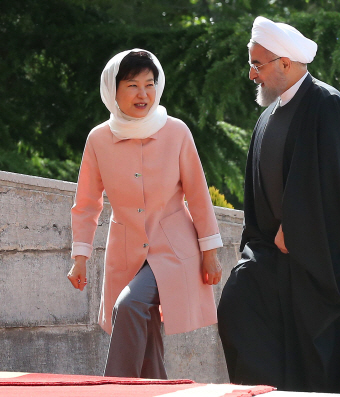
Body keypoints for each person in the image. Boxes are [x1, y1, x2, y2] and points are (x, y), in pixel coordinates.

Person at [217, 16, 340, 395]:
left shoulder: (326, 105)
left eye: (257, 65)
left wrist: (297, 227)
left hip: (322, 264)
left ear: (286, 64)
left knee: (318, 371)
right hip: (274, 262)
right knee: (239, 308)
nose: (251, 75)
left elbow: (339, 190)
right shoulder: (268, 115)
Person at [67, 49, 223, 379]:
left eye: (149, 84)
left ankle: (113, 389)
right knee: (148, 335)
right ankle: (157, 388)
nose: (143, 94)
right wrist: (80, 256)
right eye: (132, 85)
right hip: (125, 251)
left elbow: (197, 195)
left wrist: (209, 252)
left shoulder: (177, 131)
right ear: (113, 90)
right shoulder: (98, 139)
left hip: (173, 249)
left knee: (129, 305)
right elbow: (87, 203)